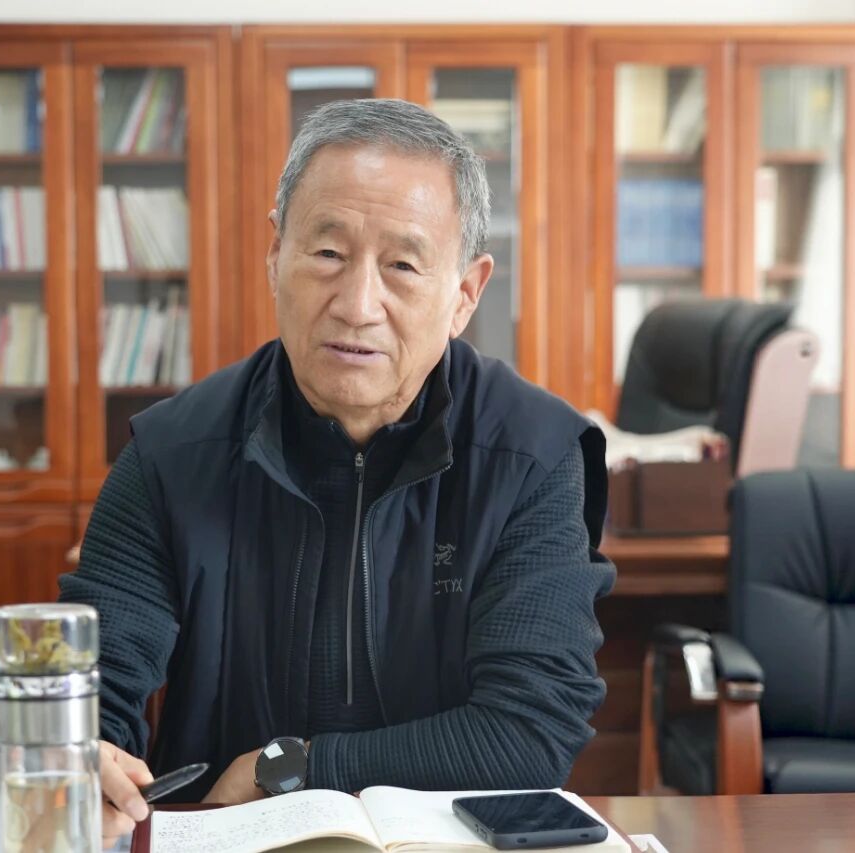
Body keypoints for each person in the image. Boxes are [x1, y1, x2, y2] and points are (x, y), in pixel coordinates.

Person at [59, 98, 615, 847]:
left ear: (465, 294)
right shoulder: (172, 452)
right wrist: (84, 752)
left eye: (403, 266)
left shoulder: (533, 456)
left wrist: (290, 766)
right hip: (229, 837)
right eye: (327, 253)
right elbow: (91, 685)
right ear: (275, 254)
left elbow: (530, 728)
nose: (357, 306)